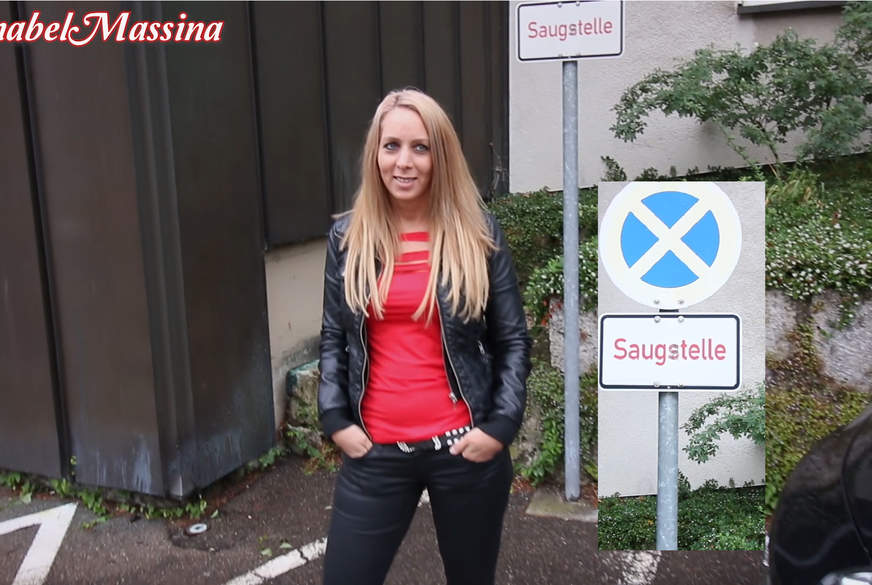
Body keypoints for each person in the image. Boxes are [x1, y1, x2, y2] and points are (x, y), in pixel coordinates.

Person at [317, 88, 531, 585]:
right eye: (391, 146)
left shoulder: (478, 234)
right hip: (375, 452)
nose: (404, 162)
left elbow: (513, 341)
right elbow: (333, 336)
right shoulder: (348, 238)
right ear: (375, 153)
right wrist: (334, 417)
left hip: (463, 450)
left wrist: (499, 426)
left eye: (420, 147)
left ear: (441, 156)